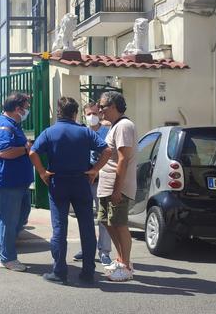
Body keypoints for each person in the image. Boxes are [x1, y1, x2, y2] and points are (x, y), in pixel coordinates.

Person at [29, 97, 111, 285]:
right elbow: (106, 151)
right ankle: (88, 271)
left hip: (58, 183)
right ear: (75, 113)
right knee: (87, 227)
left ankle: (59, 271)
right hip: (81, 182)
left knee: (59, 228)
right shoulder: (84, 132)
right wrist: (95, 169)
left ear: (59, 112)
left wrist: (42, 172)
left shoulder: (50, 132)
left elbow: (33, 152)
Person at [0, 92, 34, 272]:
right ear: (17, 109)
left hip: (17, 180)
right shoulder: (4, 126)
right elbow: (5, 152)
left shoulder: (12, 124)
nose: (27, 111)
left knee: (22, 213)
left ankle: (0, 243)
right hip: (9, 181)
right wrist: (25, 148)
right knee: (9, 219)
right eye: (26, 108)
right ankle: (8, 258)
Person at [97, 91, 136, 282]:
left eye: (102, 106)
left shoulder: (124, 126)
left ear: (113, 106)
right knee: (107, 222)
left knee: (119, 224)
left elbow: (123, 160)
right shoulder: (115, 126)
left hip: (116, 186)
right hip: (107, 186)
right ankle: (121, 260)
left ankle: (126, 266)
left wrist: (117, 189)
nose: (100, 109)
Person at [73, 102, 113, 266]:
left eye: (94, 113)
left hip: (102, 178)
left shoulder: (107, 131)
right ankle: (87, 248)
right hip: (85, 179)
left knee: (103, 216)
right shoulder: (82, 132)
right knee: (85, 216)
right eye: (88, 114)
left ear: (100, 114)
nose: (92, 117)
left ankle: (104, 251)